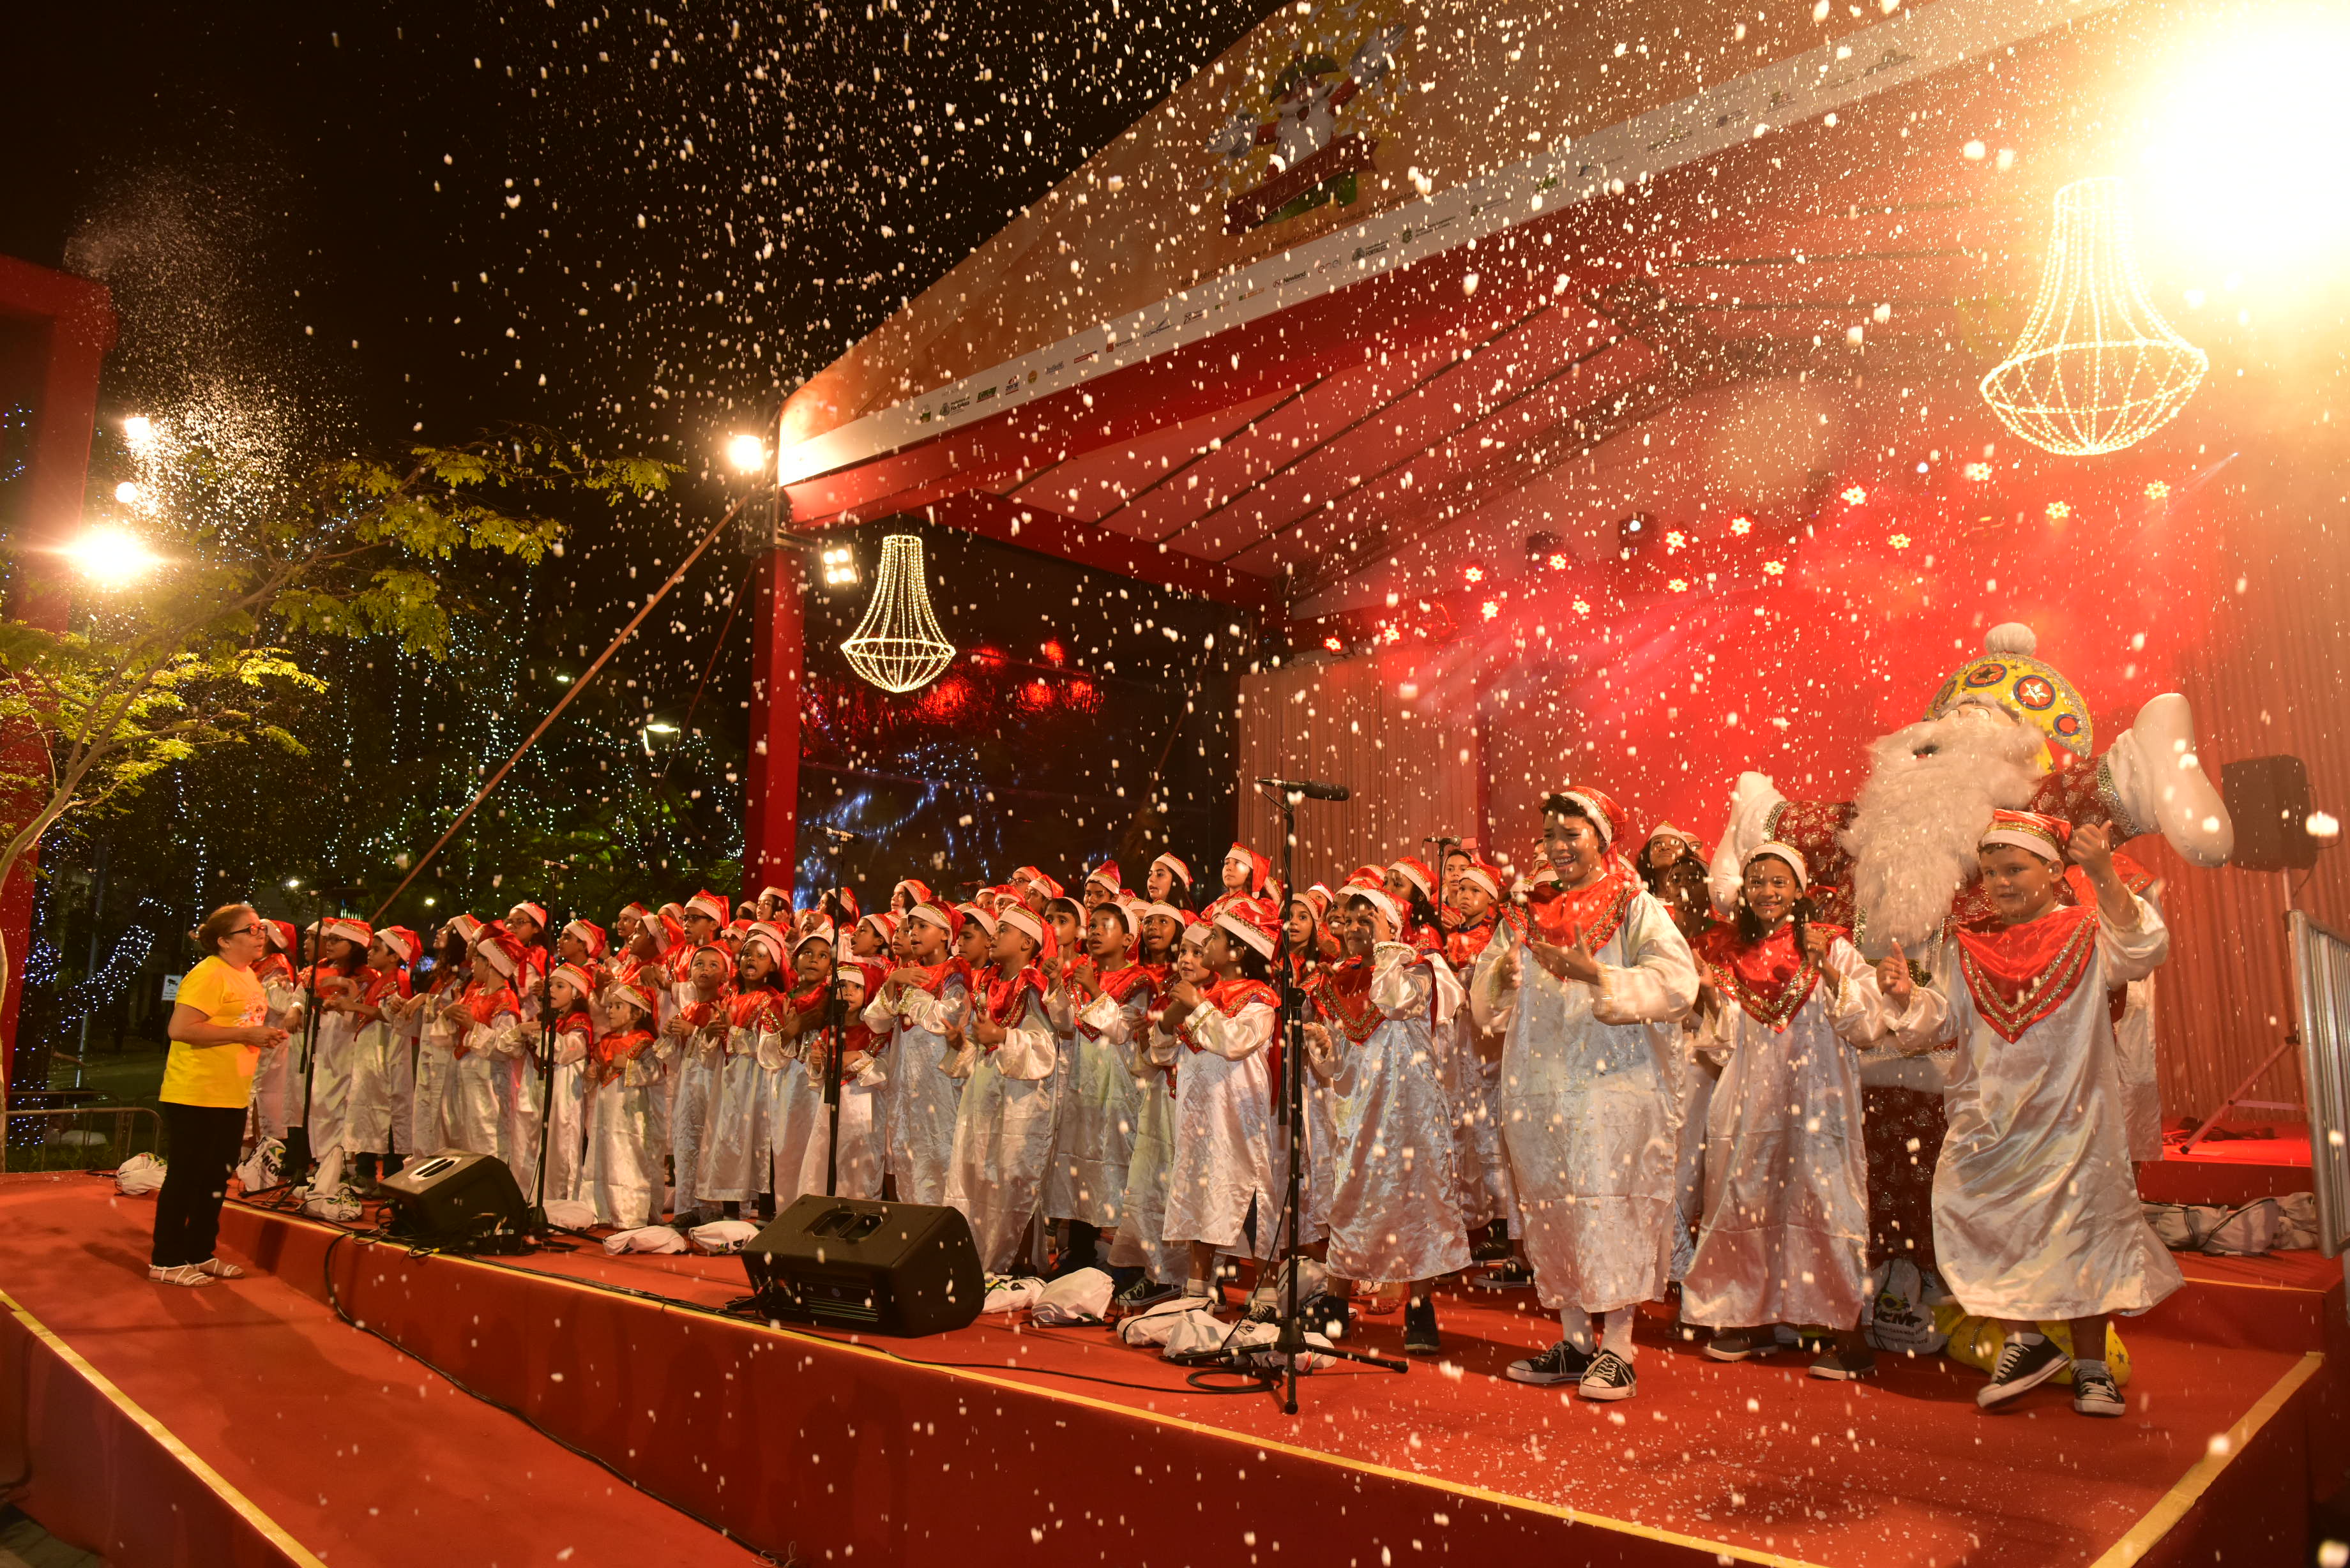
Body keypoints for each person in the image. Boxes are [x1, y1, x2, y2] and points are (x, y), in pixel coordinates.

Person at [1880, 811, 2180, 1417]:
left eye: (2014, 868)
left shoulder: (2087, 932)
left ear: (2050, 870)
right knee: (1995, 1221)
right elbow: (1944, 1025)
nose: (2000, 883)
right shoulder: (1972, 947)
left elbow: (2146, 948)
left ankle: (2092, 1368)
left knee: (2082, 1235)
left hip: (2075, 1117)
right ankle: (2028, 1339)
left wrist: (2103, 875)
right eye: (1990, 873)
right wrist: (1909, 998)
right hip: (1995, 1121)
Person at [1483, 786, 1697, 1402]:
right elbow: (1488, 994)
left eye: (1570, 834)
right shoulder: (1526, 909)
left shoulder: (1634, 904)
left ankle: (1620, 1348)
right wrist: (1499, 973)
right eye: (1550, 835)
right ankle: (1576, 1342)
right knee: (1552, 1206)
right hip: (1541, 1083)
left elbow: (1676, 983)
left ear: (1601, 839)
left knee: (1610, 1205)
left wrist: (1599, 974)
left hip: (1614, 1086)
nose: (1558, 846)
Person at [1681, 843, 1883, 1380]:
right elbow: (1723, 1045)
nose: (1766, 892)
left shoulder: (1832, 947)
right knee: (1747, 1201)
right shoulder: (1732, 955)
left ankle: (1849, 1335)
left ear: (1799, 889)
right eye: (1757, 883)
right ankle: (1753, 1317)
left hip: (1819, 1100)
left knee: (1826, 1204)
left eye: (1778, 882)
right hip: (1750, 1105)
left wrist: (1830, 974)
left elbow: (1867, 1024)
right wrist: (1706, 995)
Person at [1300, 887, 1473, 1355]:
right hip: (1359, 1113)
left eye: (1366, 918)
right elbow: (1340, 1067)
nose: (1353, 927)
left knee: (1417, 1205)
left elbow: (1394, 1001)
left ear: (1393, 924)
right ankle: (1336, 1303)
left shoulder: (1420, 967)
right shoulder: (1338, 980)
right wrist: (1324, 1049)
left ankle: (1420, 1307)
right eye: (1346, 919)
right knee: (1351, 1201)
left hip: (1413, 1112)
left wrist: (1388, 954)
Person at [150, 905, 289, 1286]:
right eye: (251, 929)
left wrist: (261, 1036)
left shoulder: (247, 976)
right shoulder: (209, 974)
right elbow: (181, 1029)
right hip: (195, 1092)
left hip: (231, 1094)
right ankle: (165, 1259)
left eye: (261, 926)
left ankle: (199, 1252)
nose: (261, 934)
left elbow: (240, 1025)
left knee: (215, 1177)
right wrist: (246, 1035)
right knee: (185, 1176)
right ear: (225, 941)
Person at [1155, 898, 1284, 1300]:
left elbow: (1236, 1042)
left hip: (1238, 1116)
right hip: (1198, 1117)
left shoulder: (1259, 998)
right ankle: (1197, 1288)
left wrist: (1196, 1007)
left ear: (1238, 951)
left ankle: (1264, 1293)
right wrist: (1176, 1014)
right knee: (1200, 1192)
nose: (1205, 943)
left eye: (1215, 938)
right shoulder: (1201, 993)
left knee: (1248, 1197)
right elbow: (1160, 1051)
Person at [943, 904, 1061, 1272]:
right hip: (985, 1093)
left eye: (1004, 930)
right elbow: (980, 1045)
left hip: (1021, 1099)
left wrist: (1003, 1037)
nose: (994, 936)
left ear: (1028, 942)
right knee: (978, 1173)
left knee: (1015, 1178)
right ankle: (980, 1259)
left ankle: (1018, 1266)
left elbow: (1045, 1049)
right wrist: (963, 1043)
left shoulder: (1032, 986)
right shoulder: (988, 982)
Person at [866, 901, 968, 1205]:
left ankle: (941, 1225)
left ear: (946, 935)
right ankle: (912, 1225)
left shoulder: (955, 971)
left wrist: (911, 996)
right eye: (911, 927)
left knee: (939, 1149)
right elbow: (875, 1021)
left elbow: (952, 1016)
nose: (913, 933)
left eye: (923, 926)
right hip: (904, 1079)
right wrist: (891, 984)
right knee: (907, 1147)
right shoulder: (905, 972)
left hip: (937, 1078)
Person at [582, 981, 663, 1229]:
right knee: (602, 1154)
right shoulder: (606, 1041)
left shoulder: (645, 1042)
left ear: (637, 1014)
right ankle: (600, 1210)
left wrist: (626, 1065)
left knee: (629, 1156)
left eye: (619, 1006)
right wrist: (592, 1075)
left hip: (631, 1113)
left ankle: (630, 1212)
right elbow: (598, 1074)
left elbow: (655, 1073)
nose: (611, 1011)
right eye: (610, 1006)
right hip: (606, 1113)